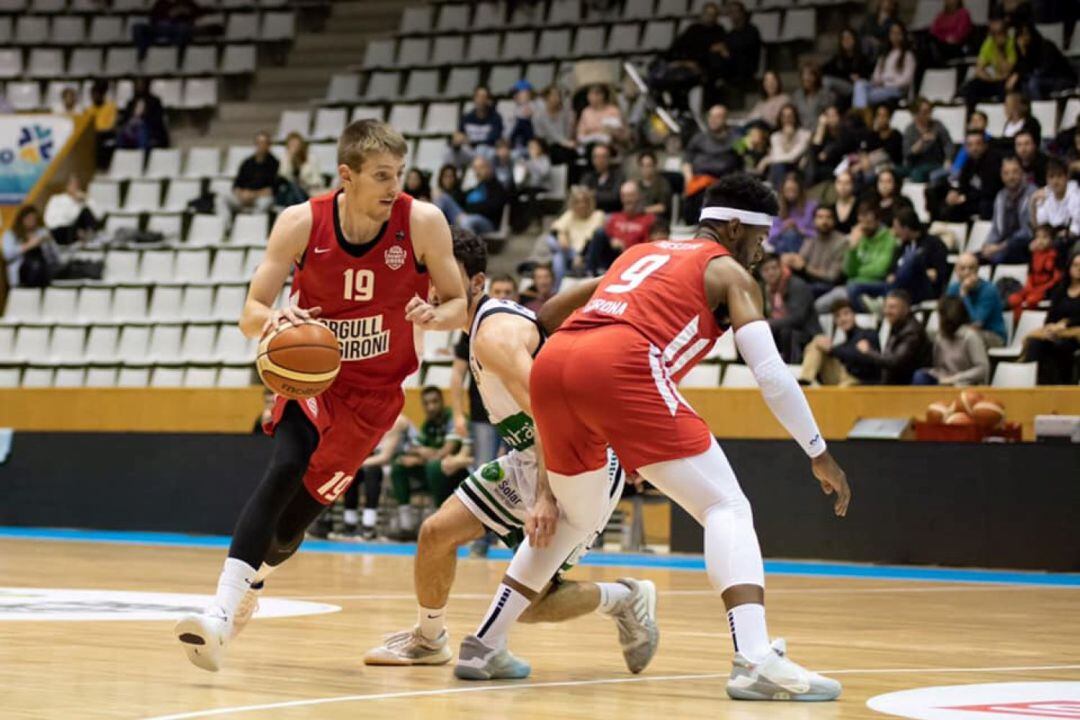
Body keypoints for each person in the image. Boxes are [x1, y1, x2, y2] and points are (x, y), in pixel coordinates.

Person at [454, 173, 850, 699]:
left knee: (574, 518)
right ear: (734, 228)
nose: (761, 252)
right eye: (758, 240)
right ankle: (755, 659)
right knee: (726, 507)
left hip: (556, 365)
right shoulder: (730, 274)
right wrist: (819, 453)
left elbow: (547, 316)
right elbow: (772, 374)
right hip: (622, 363)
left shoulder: (641, 253)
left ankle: (484, 647)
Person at [174, 119, 468, 673]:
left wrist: (438, 313)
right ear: (346, 175)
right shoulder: (300, 222)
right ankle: (218, 612)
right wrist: (273, 317)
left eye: (399, 174)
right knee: (284, 468)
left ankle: (255, 580)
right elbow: (249, 313)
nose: (393, 187)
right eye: (382, 176)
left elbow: (460, 303)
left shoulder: (422, 223)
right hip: (314, 378)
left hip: (376, 395)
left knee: (287, 532)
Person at [365, 228, 656, 672]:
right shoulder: (484, 324)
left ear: (477, 283)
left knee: (535, 602)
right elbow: (550, 323)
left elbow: (547, 413)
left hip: (573, 465)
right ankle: (428, 638)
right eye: (429, 276)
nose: (432, 289)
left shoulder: (493, 335)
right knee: (435, 534)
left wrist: (545, 496)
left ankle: (625, 598)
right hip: (529, 455)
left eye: (446, 278)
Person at [389, 386, 472, 538]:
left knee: (434, 466)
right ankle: (406, 522)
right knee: (399, 464)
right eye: (426, 404)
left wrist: (423, 455)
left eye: (434, 402)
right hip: (434, 471)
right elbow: (415, 448)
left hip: (460, 472)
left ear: (442, 401)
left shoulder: (454, 418)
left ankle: (440, 517)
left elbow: (446, 451)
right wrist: (422, 455)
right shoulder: (429, 424)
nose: (431, 407)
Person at [814, 201, 897, 314]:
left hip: (877, 286)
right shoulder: (858, 236)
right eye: (861, 222)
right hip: (852, 285)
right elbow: (848, 271)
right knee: (818, 304)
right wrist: (852, 249)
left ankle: (870, 313)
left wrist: (859, 272)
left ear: (877, 221)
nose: (864, 226)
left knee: (852, 287)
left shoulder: (889, 239)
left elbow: (880, 270)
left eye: (868, 222)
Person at [1021, 252, 1080, 384]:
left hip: (1075, 335)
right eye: (1075, 265)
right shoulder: (1060, 291)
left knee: (1061, 346)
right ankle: (1034, 385)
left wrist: (1067, 324)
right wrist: (1051, 329)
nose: (1078, 268)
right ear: (1069, 267)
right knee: (1035, 343)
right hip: (1057, 332)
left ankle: (1063, 388)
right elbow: (1050, 318)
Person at [855, 289, 931, 384]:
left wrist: (868, 351)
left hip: (907, 387)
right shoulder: (897, 325)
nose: (887, 311)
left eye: (892, 307)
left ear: (906, 309)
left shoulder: (912, 332)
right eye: (886, 307)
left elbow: (895, 362)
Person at [798, 299, 880, 386]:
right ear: (835, 321)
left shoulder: (869, 333)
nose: (843, 319)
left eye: (846, 313)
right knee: (818, 341)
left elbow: (864, 358)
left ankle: (805, 383)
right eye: (838, 316)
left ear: (853, 315)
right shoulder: (841, 345)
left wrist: (832, 350)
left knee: (846, 383)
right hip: (840, 379)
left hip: (862, 381)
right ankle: (805, 382)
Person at [912, 296, 989, 385]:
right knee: (920, 376)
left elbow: (982, 369)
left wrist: (956, 378)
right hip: (946, 381)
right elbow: (940, 367)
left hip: (966, 383)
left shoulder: (970, 336)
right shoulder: (940, 337)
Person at [682, 105, 741, 220]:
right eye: (711, 116)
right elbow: (686, 160)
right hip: (699, 181)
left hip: (723, 181)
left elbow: (745, 159)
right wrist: (688, 178)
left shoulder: (736, 139)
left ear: (725, 120)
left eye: (718, 117)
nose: (713, 120)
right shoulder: (698, 138)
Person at [759, 253, 821, 362]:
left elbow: (797, 318)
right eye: (766, 270)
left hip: (805, 333)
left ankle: (790, 369)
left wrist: (768, 324)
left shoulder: (797, 285)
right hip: (779, 330)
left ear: (781, 268)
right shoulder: (764, 289)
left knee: (787, 332)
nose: (771, 273)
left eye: (774, 268)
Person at [587, 181, 656, 275]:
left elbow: (649, 247)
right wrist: (612, 240)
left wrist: (626, 248)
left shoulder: (649, 220)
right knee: (599, 233)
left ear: (639, 197)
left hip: (633, 261)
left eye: (631, 195)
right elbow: (604, 240)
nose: (627, 199)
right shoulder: (614, 218)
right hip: (611, 258)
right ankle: (590, 273)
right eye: (624, 196)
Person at [933, 129, 1002, 221]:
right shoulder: (968, 162)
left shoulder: (993, 162)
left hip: (988, 201)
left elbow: (990, 191)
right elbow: (963, 184)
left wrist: (965, 197)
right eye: (970, 145)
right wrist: (955, 193)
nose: (974, 148)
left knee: (984, 205)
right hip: (971, 199)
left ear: (985, 145)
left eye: (978, 144)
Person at [782, 204, 848, 296]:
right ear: (814, 221)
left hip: (830, 286)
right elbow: (800, 260)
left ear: (834, 221)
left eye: (828, 217)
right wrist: (789, 259)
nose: (824, 221)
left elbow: (832, 276)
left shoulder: (842, 242)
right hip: (811, 282)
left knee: (801, 289)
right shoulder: (811, 239)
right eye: (820, 217)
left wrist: (805, 268)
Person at [545, 186, 605, 286]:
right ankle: (557, 291)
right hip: (570, 254)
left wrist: (580, 256)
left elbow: (592, 240)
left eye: (584, 201)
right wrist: (561, 234)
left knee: (557, 256)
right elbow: (554, 229)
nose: (581, 205)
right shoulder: (570, 215)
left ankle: (556, 289)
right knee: (551, 243)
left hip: (586, 257)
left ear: (590, 202)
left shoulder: (598, 215)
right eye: (577, 202)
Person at [981, 156, 1035, 265]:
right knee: (972, 259)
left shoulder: (1032, 194)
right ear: (1001, 176)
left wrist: (1000, 247)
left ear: (1023, 173)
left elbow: (1028, 231)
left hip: (1023, 246)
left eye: (1015, 172)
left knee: (1008, 251)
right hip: (1001, 246)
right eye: (1006, 173)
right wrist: (987, 245)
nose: (1011, 177)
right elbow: (995, 229)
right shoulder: (1000, 196)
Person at [436, 155, 508, 236]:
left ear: (489, 168)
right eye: (475, 168)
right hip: (464, 216)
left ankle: (468, 247)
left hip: (486, 222)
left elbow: (492, 207)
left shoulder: (496, 186)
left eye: (481, 167)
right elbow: (459, 201)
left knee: (467, 221)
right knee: (443, 197)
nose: (477, 171)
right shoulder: (476, 186)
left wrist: (467, 211)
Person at [947, 252, 1007, 347]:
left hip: (993, 335)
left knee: (966, 336)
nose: (967, 272)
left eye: (971, 268)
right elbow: (947, 317)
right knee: (940, 336)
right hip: (964, 332)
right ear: (956, 271)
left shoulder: (989, 290)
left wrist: (964, 294)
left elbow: (976, 323)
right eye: (962, 268)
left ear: (977, 269)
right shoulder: (953, 289)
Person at [854, 22, 915, 109]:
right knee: (860, 84)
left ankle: (860, 114)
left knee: (865, 96)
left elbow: (906, 80)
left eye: (898, 33)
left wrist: (888, 83)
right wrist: (877, 81)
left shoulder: (908, 55)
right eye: (892, 33)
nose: (895, 36)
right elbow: (876, 75)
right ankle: (861, 112)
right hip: (880, 86)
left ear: (903, 35)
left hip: (896, 89)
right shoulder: (884, 55)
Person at [1007, 225, 1062, 322]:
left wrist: (1041, 289)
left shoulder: (1055, 256)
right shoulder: (1034, 255)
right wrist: (1029, 287)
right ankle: (1017, 323)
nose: (1040, 241)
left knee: (1031, 300)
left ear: (1052, 240)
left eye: (1045, 237)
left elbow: (1056, 279)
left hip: (1046, 290)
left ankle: (1028, 322)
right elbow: (1030, 274)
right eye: (1038, 237)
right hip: (1032, 287)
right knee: (1013, 299)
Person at [1009, 23, 1077, 101]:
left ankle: (1040, 108)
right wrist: (1022, 52)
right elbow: (1022, 69)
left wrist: (1020, 73)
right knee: (1023, 84)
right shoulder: (1024, 51)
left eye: (1026, 34)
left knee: (1033, 83)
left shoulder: (1046, 46)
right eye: (1020, 36)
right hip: (1044, 80)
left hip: (1063, 79)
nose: (1024, 38)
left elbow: (1042, 71)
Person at [961, 17, 1015, 110]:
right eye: (993, 33)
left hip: (1007, 80)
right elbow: (978, 69)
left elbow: (1006, 70)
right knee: (972, 86)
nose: (995, 37)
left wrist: (1000, 49)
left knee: (1005, 88)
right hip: (994, 80)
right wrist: (989, 78)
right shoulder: (989, 43)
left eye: (998, 33)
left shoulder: (1011, 44)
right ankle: (972, 116)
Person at [2, 205, 58, 288]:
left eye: (34, 219)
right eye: (29, 219)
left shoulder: (42, 232)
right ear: (21, 219)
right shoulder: (10, 234)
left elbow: (56, 258)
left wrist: (50, 243)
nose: (32, 222)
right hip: (21, 277)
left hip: (44, 274)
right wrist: (29, 245)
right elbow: (7, 254)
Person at [759, 104, 811, 190]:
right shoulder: (775, 136)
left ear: (795, 117)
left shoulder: (805, 135)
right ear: (780, 118)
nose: (787, 119)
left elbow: (792, 158)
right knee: (778, 166)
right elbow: (778, 157)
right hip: (780, 170)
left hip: (799, 171)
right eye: (784, 116)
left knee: (778, 166)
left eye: (790, 116)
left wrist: (767, 160)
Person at [902, 97, 954, 183]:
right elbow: (907, 153)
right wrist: (921, 141)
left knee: (917, 174)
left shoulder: (937, 126)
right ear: (916, 114)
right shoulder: (910, 130)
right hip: (915, 164)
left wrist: (948, 159)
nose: (929, 114)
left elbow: (948, 144)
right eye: (925, 112)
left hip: (935, 162)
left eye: (930, 111)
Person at [228, 131, 279, 214]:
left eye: (263, 143)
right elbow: (236, 185)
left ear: (268, 145)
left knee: (265, 203)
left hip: (260, 198)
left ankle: (254, 224)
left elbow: (272, 189)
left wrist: (253, 195)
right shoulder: (247, 162)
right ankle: (227, 226)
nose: (260, 146)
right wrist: (242, 194)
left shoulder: (274, 164)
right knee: (221, 199)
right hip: (243, 197)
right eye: (258, 143)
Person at [132, 0, 200, 61]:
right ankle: (142, 52)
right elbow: (153, 19)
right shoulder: (160, 3)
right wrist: (169, 15)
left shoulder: (187, 3)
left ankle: (176, 55)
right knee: (137, 27)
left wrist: (185, 11)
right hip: (159, 29)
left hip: (175, 30)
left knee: (183, 28)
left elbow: (197, 16)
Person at [43, 175, 102, 246]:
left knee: (86, 211)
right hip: (59, 231)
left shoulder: (81, 201)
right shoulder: (56, 199)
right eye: (73, 184)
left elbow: (98, 215)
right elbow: (66, 217)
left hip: (74, 229)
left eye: (77, 184)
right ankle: (84, 236)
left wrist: (87, 198)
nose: (76, 186)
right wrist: (74, 202)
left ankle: (92, 237)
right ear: (66, 186)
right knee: (75, 225)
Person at [767, 172, 816, 256]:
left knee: (791, 235)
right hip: (782, 243)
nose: (791, 194)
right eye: (787, 190)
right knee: (785, 239)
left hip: (805, 244)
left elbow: (817, 234)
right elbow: (771, 237)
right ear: (782, 191)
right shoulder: (777, 207)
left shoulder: (811, 207)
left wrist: (799, 229)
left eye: (794, 190)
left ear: (800, 190)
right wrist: (783, 227)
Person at [1031, 159, 1080, 238]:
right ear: (1047, 179)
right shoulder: (1045, 194)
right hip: (1051, 237)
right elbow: (1040, 226)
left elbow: (1077, 226)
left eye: (1059, 176)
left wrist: (1066, 234)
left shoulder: (1075, 193)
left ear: (1067, 177)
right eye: (1051, 177)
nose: (1055, 181)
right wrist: (1033, 203)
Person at [822, 28, 873, 101]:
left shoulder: (862, 58)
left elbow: (867, 74)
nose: (846, 41)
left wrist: (859, 77)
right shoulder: (838, 58)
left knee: (827, 81)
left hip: (856, 87)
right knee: (829, 89)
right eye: (843, 38)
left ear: (854, 40)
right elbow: (825, 69)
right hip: (842, 85)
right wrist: (847, 76)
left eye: (848, 38)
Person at [532, 85, 576, 165]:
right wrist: (563, 142)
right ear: (546, 98)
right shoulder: (538, 115)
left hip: (565, 146)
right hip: (547, 144)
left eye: (559, 95)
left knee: (570, 153)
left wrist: (571, 122)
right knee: (558, 152)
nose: (557, 98)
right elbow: (543, 135)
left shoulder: (564, 113)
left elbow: (568, 134)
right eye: (554, 95)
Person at [277, 132, 324, 205]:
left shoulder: (311, 158)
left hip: (307, 189)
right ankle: (304, 207)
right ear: (288, 146)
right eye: (292, 145)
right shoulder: (285, 158)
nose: (294, 147)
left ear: (301, 145)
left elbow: (317, 178)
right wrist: (290, 157)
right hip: (290, 189)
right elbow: (283, 176)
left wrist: (306, 184)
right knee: (292, 186)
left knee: (292, 193)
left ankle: (300, 207)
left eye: (296, 144)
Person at [121, 78, 169, 148]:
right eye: (137, 85)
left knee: (142, 130)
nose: (139, 87)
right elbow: (125, 118)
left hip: (149, 129)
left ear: (147, 86)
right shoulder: (131, 102)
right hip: (132, 129)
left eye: (141, 85)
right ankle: (121, 155)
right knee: (122, 133)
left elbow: (157, 120)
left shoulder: (155, 101)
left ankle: (141, 155)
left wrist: (141, 121)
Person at [576, 84, 627, 148]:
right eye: (589, 94)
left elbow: (619, 131)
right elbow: (580, 134)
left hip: (610, 145)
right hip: (590, 145)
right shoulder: (586, 112)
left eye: (595, 94)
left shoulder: (613, 111)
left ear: (602, 96)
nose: (591, 97)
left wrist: (609, 131)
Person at [790, 64, 834, 138]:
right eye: (804, 75)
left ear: (816, 77)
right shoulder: (797, 95)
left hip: (820, 134)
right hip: (801, 135)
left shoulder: (825, 94)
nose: (806, 78)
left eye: (810, 75)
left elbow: (829, 116)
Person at [581, 143, 625, 214]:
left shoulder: (618, 176)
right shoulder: (588, 176)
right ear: (593, 160)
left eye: (603, 157)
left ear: (609, 158)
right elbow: (582, 196)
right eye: (597, 157)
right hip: (589, 214)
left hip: (610, 214)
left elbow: (614, 198)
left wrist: (592, 194)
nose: (600, 160)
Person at [926, 0, 973, 67]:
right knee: (928, 39)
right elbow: (933, 31)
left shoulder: (963, 13)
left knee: (931, 44)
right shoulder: (941, 15)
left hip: (957, 46)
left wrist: (945, 37)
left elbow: (960, 32)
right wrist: (944, 38)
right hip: (941, 43)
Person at [460, 86, 503, 155]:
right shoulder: (467, 118)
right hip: (469, 151)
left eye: (483, 97)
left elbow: (492, 141)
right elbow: (461, 134)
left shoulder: (495, 118)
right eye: (478, 97)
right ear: (474, 99)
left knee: (481, 149)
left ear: (488, 100)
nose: (480, 100)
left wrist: (471, 142)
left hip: (488, 151)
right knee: (450, 151)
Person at [87, 80, 118, 169]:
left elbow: (111, 126)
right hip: (93, 135)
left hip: (106, 134)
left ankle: (101, 167)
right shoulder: (89, 110)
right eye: (92, 95)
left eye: (96, 94)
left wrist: (99, 131)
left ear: (102, 95)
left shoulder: (111, 107)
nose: (94, 97)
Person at [636, 151, 672, 219]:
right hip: (639, 220)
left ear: (654, 166)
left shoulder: (662, 183)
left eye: (649, 166)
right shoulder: (636, 185)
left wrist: (643, 210)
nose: (645, 169)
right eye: (643, 166)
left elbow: (662, 207)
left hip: (657, 220)